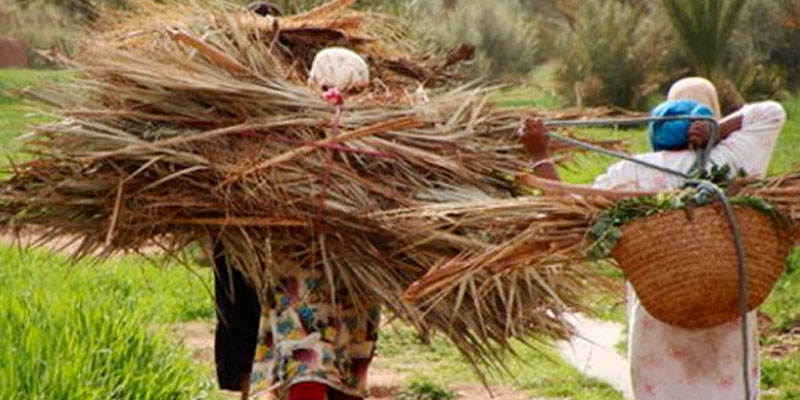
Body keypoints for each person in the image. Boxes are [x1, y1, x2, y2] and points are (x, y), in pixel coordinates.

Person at [519, 77, 786, 400]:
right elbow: (770, 112)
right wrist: (718, 130)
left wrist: (539, 154)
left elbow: (566, 206)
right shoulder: (732, 160)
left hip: (659, 315)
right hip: (729, 306)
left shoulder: (632, 172)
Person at [214, 46, 380, 400]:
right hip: (355, 285)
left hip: (304, 283)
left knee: (307, 367)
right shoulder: (383, 139)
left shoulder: (287, 134)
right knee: (338, 371)